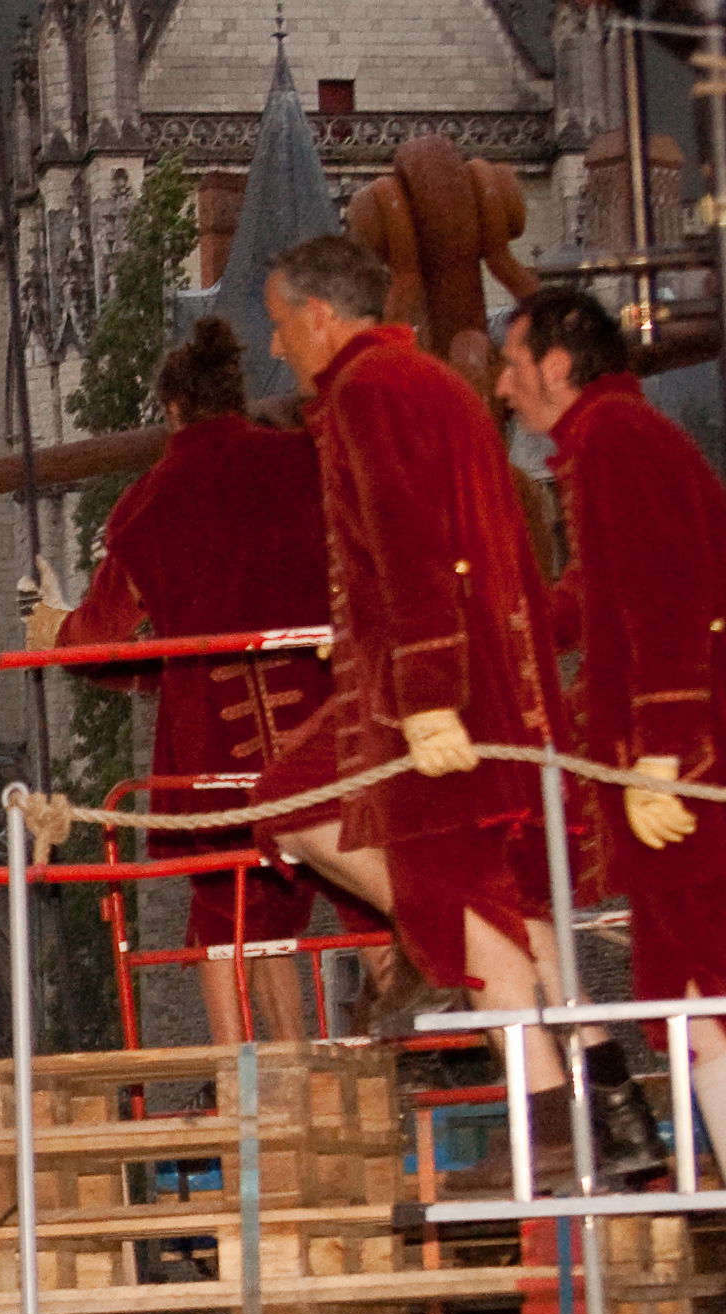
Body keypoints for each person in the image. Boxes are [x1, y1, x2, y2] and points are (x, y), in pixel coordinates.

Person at [257, 236, 659, 1185]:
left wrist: (429, 695)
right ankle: (614, 1106)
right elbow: (490, 552)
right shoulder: (432, 383)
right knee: (505, 896)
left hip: (424, 701)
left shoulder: (367, 391)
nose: (276, 347)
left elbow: (409, 541)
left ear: (320, 315)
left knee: (323, 822)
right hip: (490, 686)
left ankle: (555, 1129)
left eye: (280, 324)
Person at [30, 316, 381, 1041]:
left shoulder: (145, 506)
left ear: (171, 410)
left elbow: (100, 638)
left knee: (231, 925)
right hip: (329, 718)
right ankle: (465, 1039)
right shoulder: (304, 461)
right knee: (373, 893)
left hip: (215, 747)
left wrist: (51, 628)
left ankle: (254, 1090)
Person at [499, 285, 726, 1209]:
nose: (506, 388)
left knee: (701, 1005)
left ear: (559, 362)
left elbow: (670, 598)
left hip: (686, 775)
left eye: (514, 366)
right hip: (672, 769)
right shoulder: (614, 442)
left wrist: (664, 755)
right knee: (693, 1007)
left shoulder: (616, 445)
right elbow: (602, 592)